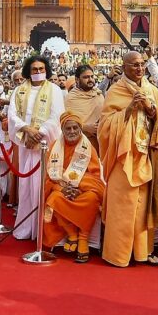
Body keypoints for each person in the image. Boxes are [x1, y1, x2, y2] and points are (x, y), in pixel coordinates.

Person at [99, 51, 158, 267]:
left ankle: (141, 252)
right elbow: (104, 126)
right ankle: (118, 254)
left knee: (142, 206)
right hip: (124, 157)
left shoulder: (152, 90)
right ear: (124, 67)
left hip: (146, 155)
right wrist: (128, 110)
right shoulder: (115, 91)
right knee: (123, 205)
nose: (139, 69)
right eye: (134, 65)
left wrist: (151, 110)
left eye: (141, 65)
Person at [6, 56, 64, 240]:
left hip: (45, 145)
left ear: (46, 69)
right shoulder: (19, 90)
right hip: (25, 143)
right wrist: (27, 130)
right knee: (26, 187)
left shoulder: (54, 90)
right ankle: (26, 228)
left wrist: (39, 133)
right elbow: (12, 115)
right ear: (28, 72)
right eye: (34, 69)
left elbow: (57, 116)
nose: (38, 72)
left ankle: (42, 230)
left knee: (42, 186)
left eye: (41, 69)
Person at [42, 112, 106, 263]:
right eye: (68, 128)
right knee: (53, 199)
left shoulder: (88, 147)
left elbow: (95, 175)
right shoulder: (54, 147)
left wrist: (79, 186)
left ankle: (83, 239)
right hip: (62, 189)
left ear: (80, 128)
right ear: (62, 130)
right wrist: (61, 188)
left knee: (92, 198)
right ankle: (72, 234)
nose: (72, 131)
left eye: (75, 128)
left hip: (83, 190)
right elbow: (49, 176)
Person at [64, 65, 104, 151]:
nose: (90, 80)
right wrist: (85, 127)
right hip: (80, 143)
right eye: (86, 77)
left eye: (92, 76)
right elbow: (65, 121)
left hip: (101, 141)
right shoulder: (71, 98)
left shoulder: (98, 94)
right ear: (77, 79)